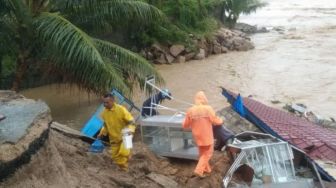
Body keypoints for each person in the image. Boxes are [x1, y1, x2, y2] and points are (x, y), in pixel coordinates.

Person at [183, 91, 223, 178]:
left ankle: (206, 169)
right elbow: (215, 121)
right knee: (209, 153)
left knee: (202, 154)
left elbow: (185, 125)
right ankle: (198, 170)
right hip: (207, 136)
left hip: (197, 136)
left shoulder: (190, 110)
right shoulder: (208, 109)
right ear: (204, 99)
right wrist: (221, 120)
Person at [97, 93, 136, 171]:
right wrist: (101, 133)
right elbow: (105, 125)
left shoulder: (121, 109)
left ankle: (129, 156)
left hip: (126, 134)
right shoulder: (104, 113)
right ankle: (125, 169)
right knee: (116, 157)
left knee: (123, 152)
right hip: (113, 138)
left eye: (107, 102)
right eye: (103, 102)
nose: (105, 104)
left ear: (112, 101)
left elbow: (131, 121)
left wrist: (130, 130)